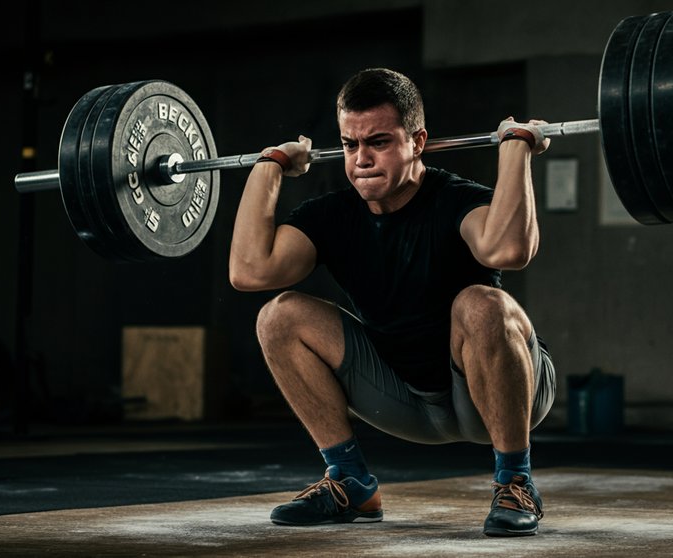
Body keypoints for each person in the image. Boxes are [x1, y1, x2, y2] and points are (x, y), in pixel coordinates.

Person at [229, 68, 556, 537]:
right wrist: (270, 165)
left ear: (417, 141)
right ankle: (350, 482)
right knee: (278, 316)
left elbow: (508, 251)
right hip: (406, 399)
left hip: (500, 393)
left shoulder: (456, 199)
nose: (361, 159)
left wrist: (516, 148)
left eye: (378, 142)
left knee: (481, 303)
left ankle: (516, 482)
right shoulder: (333, 216)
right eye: (349, 144)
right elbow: (249, 271)